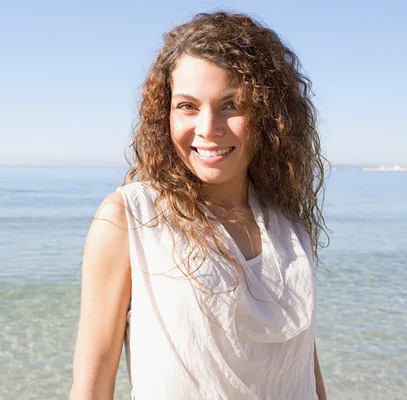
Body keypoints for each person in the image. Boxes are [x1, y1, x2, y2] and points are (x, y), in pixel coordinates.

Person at [69, 11, 328, 400]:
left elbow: (304, 371)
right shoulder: (130, 219)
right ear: (165, 114)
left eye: (231, 104)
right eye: (187, 106)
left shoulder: (291, 230)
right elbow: (91, 390)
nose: (208, 128)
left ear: (269, 115)